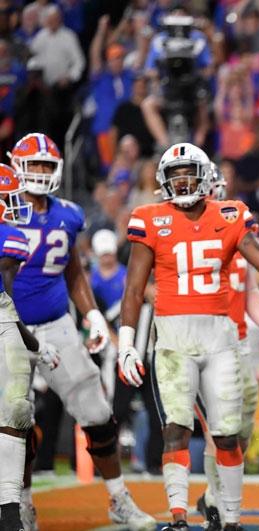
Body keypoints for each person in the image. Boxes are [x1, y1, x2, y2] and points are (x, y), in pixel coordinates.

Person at [117, 143, 259, 531]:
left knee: (226, 435)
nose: (183, 180)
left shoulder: (231, 214)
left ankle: (231, 518)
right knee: (176, 426)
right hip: (173, 337)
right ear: (163, 181)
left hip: (221, 337)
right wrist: (126, 344)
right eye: (175, 174)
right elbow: (135, 290)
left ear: (206, 177)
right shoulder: (149, 219)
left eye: (189, 172)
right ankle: (177, 517)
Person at [9, 133, 154, 531]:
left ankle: (118, 497)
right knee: (16, 420)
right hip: (9, 329)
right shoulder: (4, 213)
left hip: (57, 325)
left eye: (45, 165)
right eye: (33, 164)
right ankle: (21, 505)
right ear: (17, 167)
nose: (39, 172)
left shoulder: (68, 214)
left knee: (97, 411)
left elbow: (73, 271)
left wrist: (90, 315)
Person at [194, 162, 259, 530]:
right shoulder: (185, 241)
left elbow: (251, 291)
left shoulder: (238, 233)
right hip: (203, 347)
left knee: (240, 434)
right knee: (217, 430)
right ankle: (218, 505)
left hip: (239, 347)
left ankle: (211, 496)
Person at [0, 164, 59, 531]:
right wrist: (33, 343)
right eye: (8, 199)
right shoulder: (10, 235)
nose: (16, 205)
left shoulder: (10, 234)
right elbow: (7, 296)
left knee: (13, 411)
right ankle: (7, 508)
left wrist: (31, 342)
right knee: (12, 413)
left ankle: (8, 509)